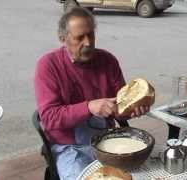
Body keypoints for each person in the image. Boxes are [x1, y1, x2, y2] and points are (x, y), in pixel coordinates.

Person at [34, 7, 149, 180]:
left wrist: (133, 108)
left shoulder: (107, 60)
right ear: (62, 38)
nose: (88, 42)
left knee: (142, 174)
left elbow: (120, 106)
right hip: (69, 148)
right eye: (80, 37)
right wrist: (89, 107)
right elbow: (49, 118)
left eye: (91, 35)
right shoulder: (48, 66)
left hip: (107, 142)